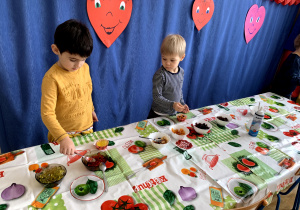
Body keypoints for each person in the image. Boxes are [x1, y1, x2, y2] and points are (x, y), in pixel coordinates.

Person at [41, 19, 98, 155]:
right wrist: (63, 138)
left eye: (83, 59)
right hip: (63, 136)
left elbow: (86, 92)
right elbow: (47, 114)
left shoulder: (85, 68)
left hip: (87, 129)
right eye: (73, 60)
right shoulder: (52, 78)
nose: (78, 65)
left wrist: (90, 110)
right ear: (56, 50)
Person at [148, 34, 189, 119]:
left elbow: (178, 91)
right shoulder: (160, 75)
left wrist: (182, 104)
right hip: (158, 114)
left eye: (172, 60)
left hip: (172, 114)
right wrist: (172, 105)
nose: (167, 63)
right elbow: (157, 97)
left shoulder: (181, 72)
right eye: (164, 59)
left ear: (182, 57)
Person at [271, 34, 300, 100]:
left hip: (284, 93)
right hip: (279, 94)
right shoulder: (295, 59)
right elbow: (293, 79)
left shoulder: (296, 59)